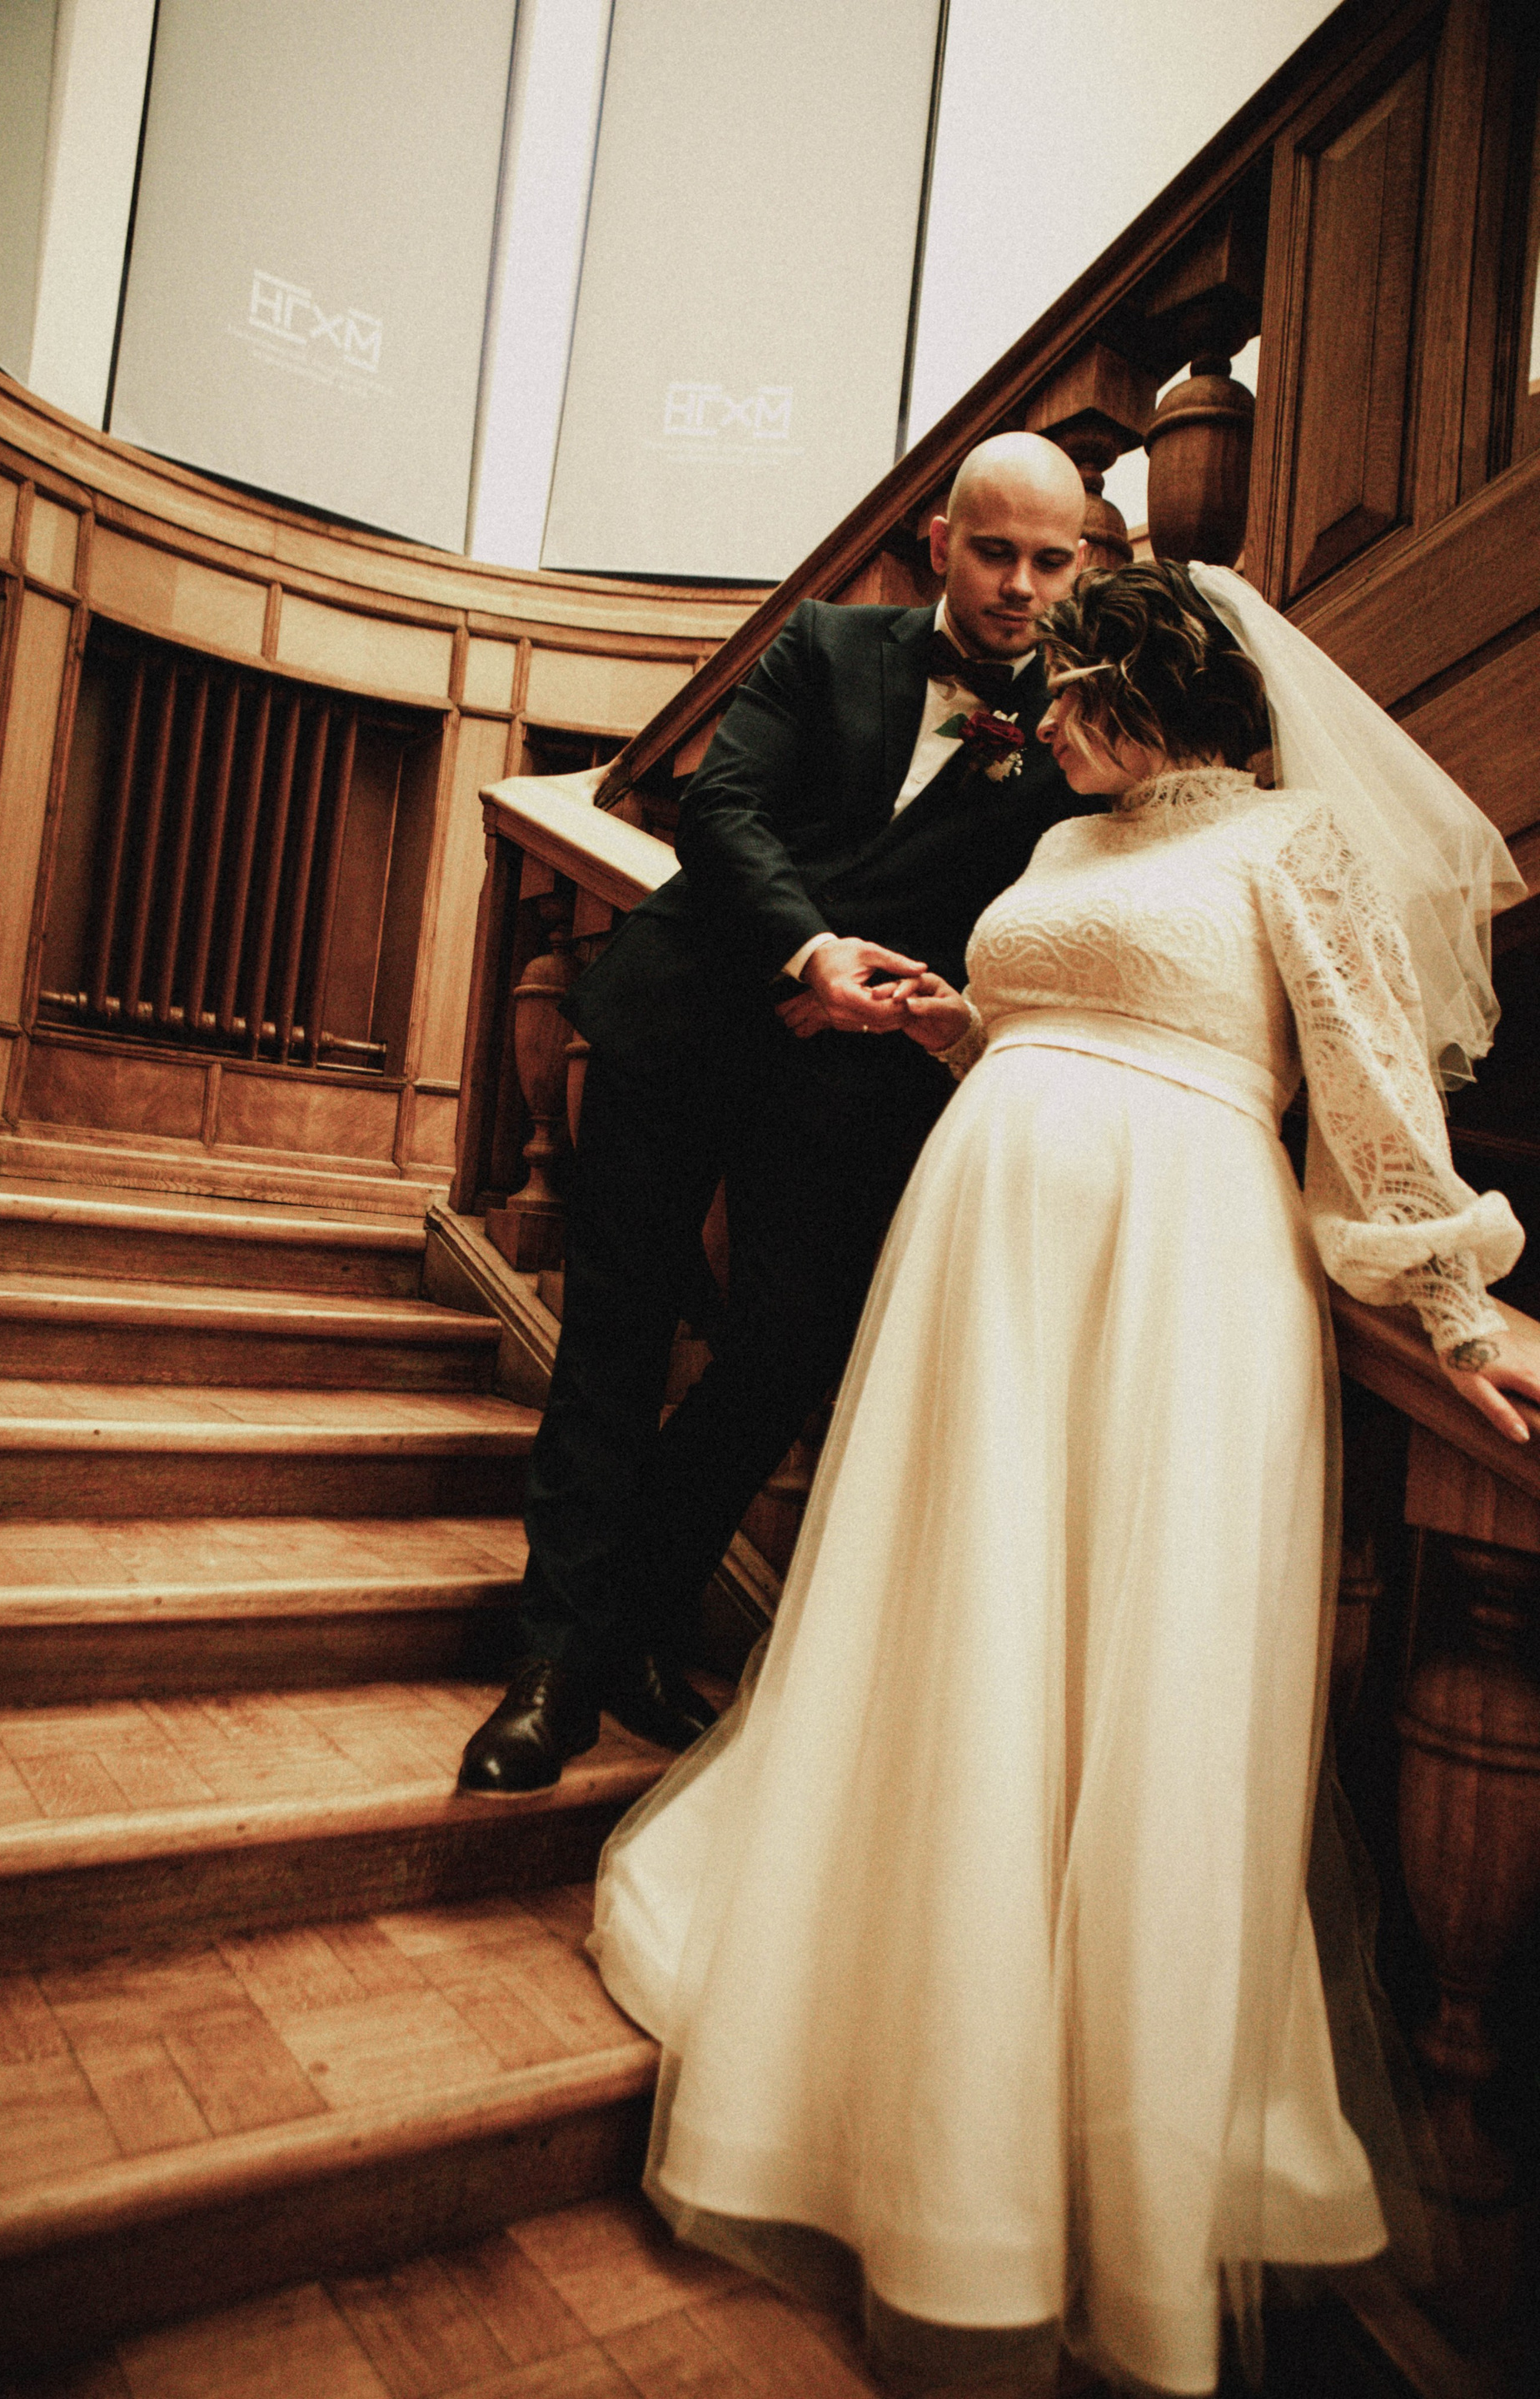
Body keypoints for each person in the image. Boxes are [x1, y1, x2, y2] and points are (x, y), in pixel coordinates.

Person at [587, 560, 1539, 2396]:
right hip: (988, 1271)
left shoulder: (1290, 842)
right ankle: (922, 2040)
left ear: (1156, 691)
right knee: (971, 1631)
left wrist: (1454, 1306)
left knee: (1125, 1658)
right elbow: (1043, 1030)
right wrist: (953, 1026)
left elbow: (1363, 1086)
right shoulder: (1058, 842)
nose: (1049, 717)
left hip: (1174, 1275)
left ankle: (1095, 2139)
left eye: (1081, 688)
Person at [459, 433, 1095, 1793]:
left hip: (851, 1084)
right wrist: (808, 954)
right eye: (995, 553)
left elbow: (1028, 911)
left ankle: (638, 1618)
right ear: (942, 543)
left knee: (786, 1358)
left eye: (1051, 562)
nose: (1020, 588)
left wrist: (893, 989)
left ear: (1080, 564)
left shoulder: (1071, 733)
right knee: (616, 1342)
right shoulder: (824, 643)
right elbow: (724, 813)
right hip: (681, 1025)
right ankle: (553, 1670)